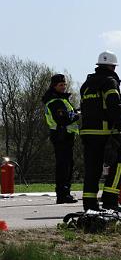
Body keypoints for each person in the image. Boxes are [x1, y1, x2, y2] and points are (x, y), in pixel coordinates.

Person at [79, 51, 121, 212]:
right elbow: (115, 106)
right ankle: (110, 202)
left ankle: (90, 205)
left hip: (87, 133)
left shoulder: (86, 86)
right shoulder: (109, 82)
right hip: (107, 133)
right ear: (112, 67)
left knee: (92, 169)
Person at [42, 74, 80, 204]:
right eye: (60, 85)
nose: (63, 87)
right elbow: (63, 119)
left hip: (65, 136)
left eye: (64, 84)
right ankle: (62, 194)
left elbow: (68, 114)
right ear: (54, 86)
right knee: (64, 167)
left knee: (67, 166)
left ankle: (65, 193)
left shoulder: (61, 100)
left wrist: (73, 114)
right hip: (61, 136)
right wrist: (76, 116)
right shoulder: (55, 101)